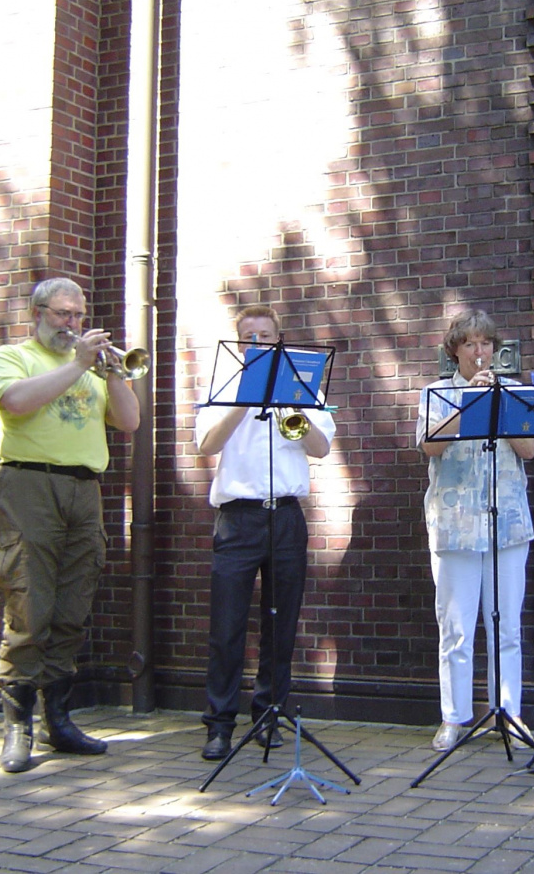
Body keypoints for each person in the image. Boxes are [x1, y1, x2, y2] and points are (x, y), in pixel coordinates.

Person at [0, 277, 141, 773]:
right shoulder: (14, 356)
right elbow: (15, 404)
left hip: (84, 490)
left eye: (77, 315)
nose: (72, 324)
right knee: (29, 601)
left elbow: (131, 421)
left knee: (73, 604)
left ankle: (59, 720)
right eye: (62, 314)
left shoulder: (94, 368)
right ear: (37, 313)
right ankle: (17, 727)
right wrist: (77, 365)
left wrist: (115, 374)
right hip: (28, 484)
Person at [195, 305, 335, 761]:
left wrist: (293, 407)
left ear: (278, 339)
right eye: (248, 337)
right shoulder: (222, 385)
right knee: (228, 625)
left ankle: (269, 714)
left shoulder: (300, 383)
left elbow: (321, 448)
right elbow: (206, 445)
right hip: (238, 517)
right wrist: (244, 401)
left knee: (281, 623)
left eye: (265, 335)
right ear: (239, 345)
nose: (256, 342)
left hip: (286, 516)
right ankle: (219, 724)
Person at [416, 309, 534, 751]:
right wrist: (469, 403)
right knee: (456, 627)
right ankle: (454, 716)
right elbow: (430, 445)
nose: (480, 352)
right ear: (455, 351)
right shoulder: (436, 393)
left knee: (505, 625)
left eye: (486, 343)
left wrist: (500, 403)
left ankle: (509, 712)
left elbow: (529, 448)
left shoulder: (514, 391)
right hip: (454, 525)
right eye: (470, 344)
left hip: (506, 522)